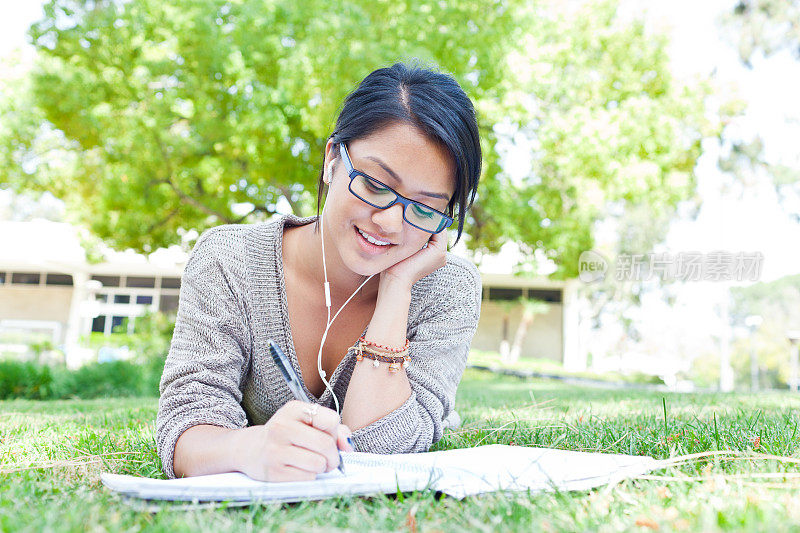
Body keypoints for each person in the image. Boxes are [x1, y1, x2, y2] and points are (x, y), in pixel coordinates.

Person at [156, 62, 483, 482]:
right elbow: (185, 424)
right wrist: (248, 447)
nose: (389, 223)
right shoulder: (228, 260)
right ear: (332, 159)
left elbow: (381, 446)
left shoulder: (447, 288)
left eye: (423, 208)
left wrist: (398, 288)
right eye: (375, 185)